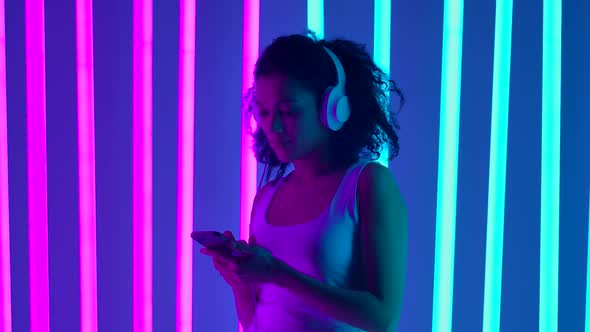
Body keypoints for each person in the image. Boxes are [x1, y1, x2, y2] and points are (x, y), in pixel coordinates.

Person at [199, 32, 408, 332]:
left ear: (332, 108)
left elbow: (382, 318)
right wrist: (239, 283)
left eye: (289, 111)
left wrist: (278, 274)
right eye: (265, 112)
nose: (275, 126)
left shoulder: (368, 185)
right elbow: (255, 320)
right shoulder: (267, 197)